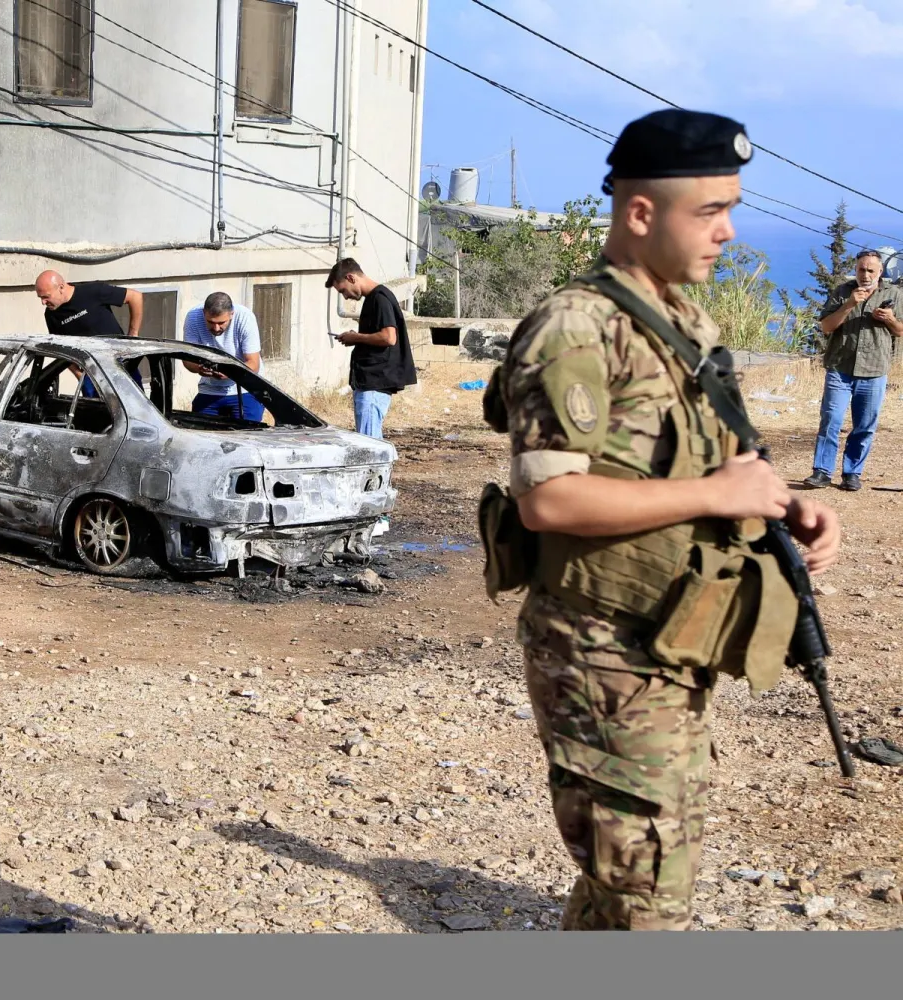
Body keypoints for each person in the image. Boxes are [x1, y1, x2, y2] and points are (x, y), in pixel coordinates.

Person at [484, 109, 841, 930]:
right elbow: (549, 501)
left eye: (731, 208)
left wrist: (788, 506)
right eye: (710, 211)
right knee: (645, 898)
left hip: (671, 641)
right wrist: (716, 498)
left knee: (628, 890)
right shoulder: (574, 327)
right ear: (641, 214)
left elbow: (709, 461)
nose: (729, 231)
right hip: (601, 651)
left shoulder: (682, 321)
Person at [803, 249, 903, 491]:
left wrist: (889, 319)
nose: (865, 274)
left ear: (880, 272)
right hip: (840, 367)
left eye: (871, 270)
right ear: (856, 270)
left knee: (865, 425)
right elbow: (826, 327)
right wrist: (849, 305)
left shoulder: (894, 294)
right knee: (831, 420)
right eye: (861, 269)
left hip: (874, 369)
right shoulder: (842, 292)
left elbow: (900, 331)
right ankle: (822, 472)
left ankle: (852, 473)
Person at [325, 259, 417, 439]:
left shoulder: (379, 298)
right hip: (370, 384)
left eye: (343, 290)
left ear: (351, 278)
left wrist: (356, 337)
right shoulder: (375, 298)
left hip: (374, 385)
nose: (345, 296)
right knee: (370, 442)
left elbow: (388, 337)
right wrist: (356, 338)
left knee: (369, 445)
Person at [180, 291, 264, 422]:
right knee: (201, 435)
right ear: (203, 313)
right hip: (209, 390)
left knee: (247, 437)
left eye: (221, 322)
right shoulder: (193, 317)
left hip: (245, 389)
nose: (216, 328)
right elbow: (187, 360)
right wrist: (199, 368)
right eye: (210, 322)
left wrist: (230, 372)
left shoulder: (245, 317)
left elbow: (253, 364)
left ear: (232, 314)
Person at [35, 270, 143, 339]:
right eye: (40, 298)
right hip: (90, 370)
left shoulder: (93, 292)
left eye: (46, 297)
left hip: (119, 362)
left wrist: (133, 334)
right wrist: (79, 374)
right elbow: (61, 347)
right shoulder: (51, 315)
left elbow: (135, 297)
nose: (43, 302)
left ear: (61, 288)